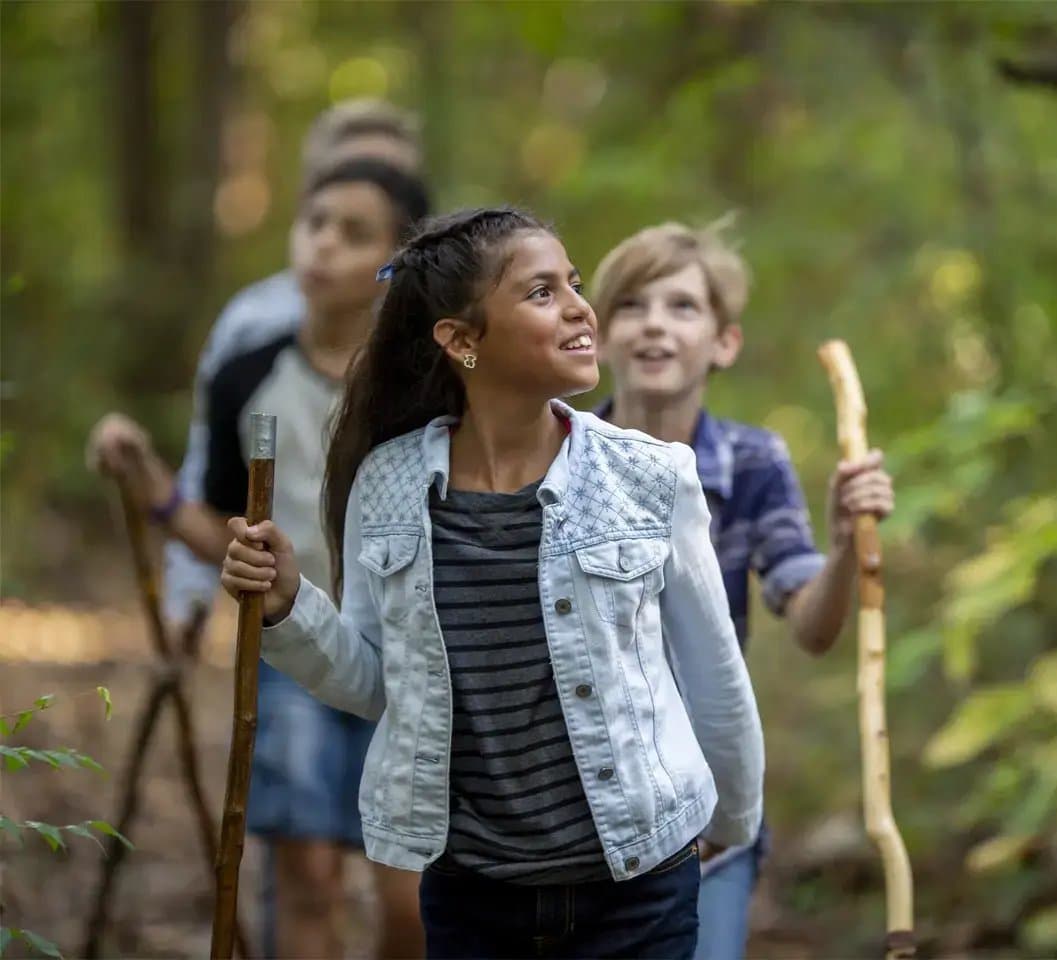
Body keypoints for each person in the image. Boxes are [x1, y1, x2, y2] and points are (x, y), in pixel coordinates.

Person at [217, 207, 765, 960]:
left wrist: (730, 827)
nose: (581, 306)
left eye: (575, 284)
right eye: (542, 292)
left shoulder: (648, 476)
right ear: (462, 340)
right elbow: (379, 683)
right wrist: (288, 605)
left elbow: (714, 674)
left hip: (639, 884)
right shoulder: (393, 483)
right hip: (473, 893)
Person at [89, 159, 431, 959]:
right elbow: (221, 529)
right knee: (305, 875)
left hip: (416, 656)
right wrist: (151, 486)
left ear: (399, 257)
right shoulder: (248, 373)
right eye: (314, 224)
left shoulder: (426, 387)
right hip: (290, 649)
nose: (322, 247)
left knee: (410, 897)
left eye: (354, 234)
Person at [589, 221, 896, 960]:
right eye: (632, 305)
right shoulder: (558, 454)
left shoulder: (754, 462)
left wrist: (848, 540)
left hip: (708, 802)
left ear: (724, 343)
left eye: (683, 307)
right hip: (585, 799)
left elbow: (813, 625)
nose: (656, 323)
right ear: (598, 337)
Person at [164, 98, 424, 627]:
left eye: (386, 179)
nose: (327, 243)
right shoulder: (251, 331)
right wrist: (188, 599)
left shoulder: (435, 360)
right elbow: (210, 478)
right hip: (294, 627)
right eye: (320, 217)